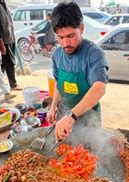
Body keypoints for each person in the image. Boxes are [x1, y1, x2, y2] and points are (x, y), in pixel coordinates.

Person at [47, 2, 109, 141]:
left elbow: (99, 88)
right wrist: (53, 107)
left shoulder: (94, 54)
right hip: (63, 115)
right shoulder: (57, 54)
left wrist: (72, 115)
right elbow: (59, 83)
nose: (65, 44)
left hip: (88, 119)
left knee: (89, 155)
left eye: (70, 36)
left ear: (81, 28)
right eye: (60, 37)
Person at [0, 0, 21, 91]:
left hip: (10, 37)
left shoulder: (3, 4)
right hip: (4, 39)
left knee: (4, 62)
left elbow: (8, 22)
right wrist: (1, 41)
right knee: (9, 62)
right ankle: (13, 84)